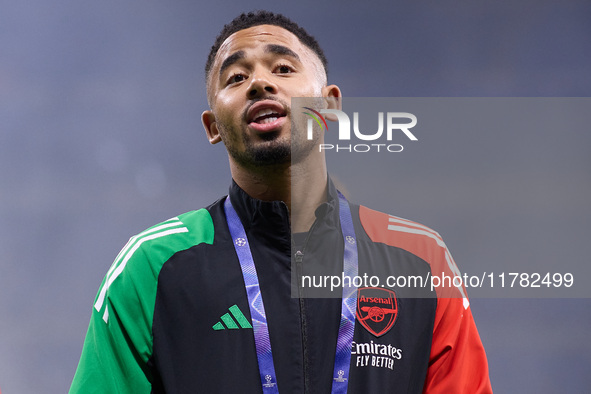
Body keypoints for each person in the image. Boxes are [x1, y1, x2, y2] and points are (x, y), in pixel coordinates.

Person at [70, 11, 492, 393]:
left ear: (329, 107)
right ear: (213, 126)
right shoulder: (152, 265)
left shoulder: (418, 258)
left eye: (283, 68)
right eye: (235, 77)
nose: (260, 82)